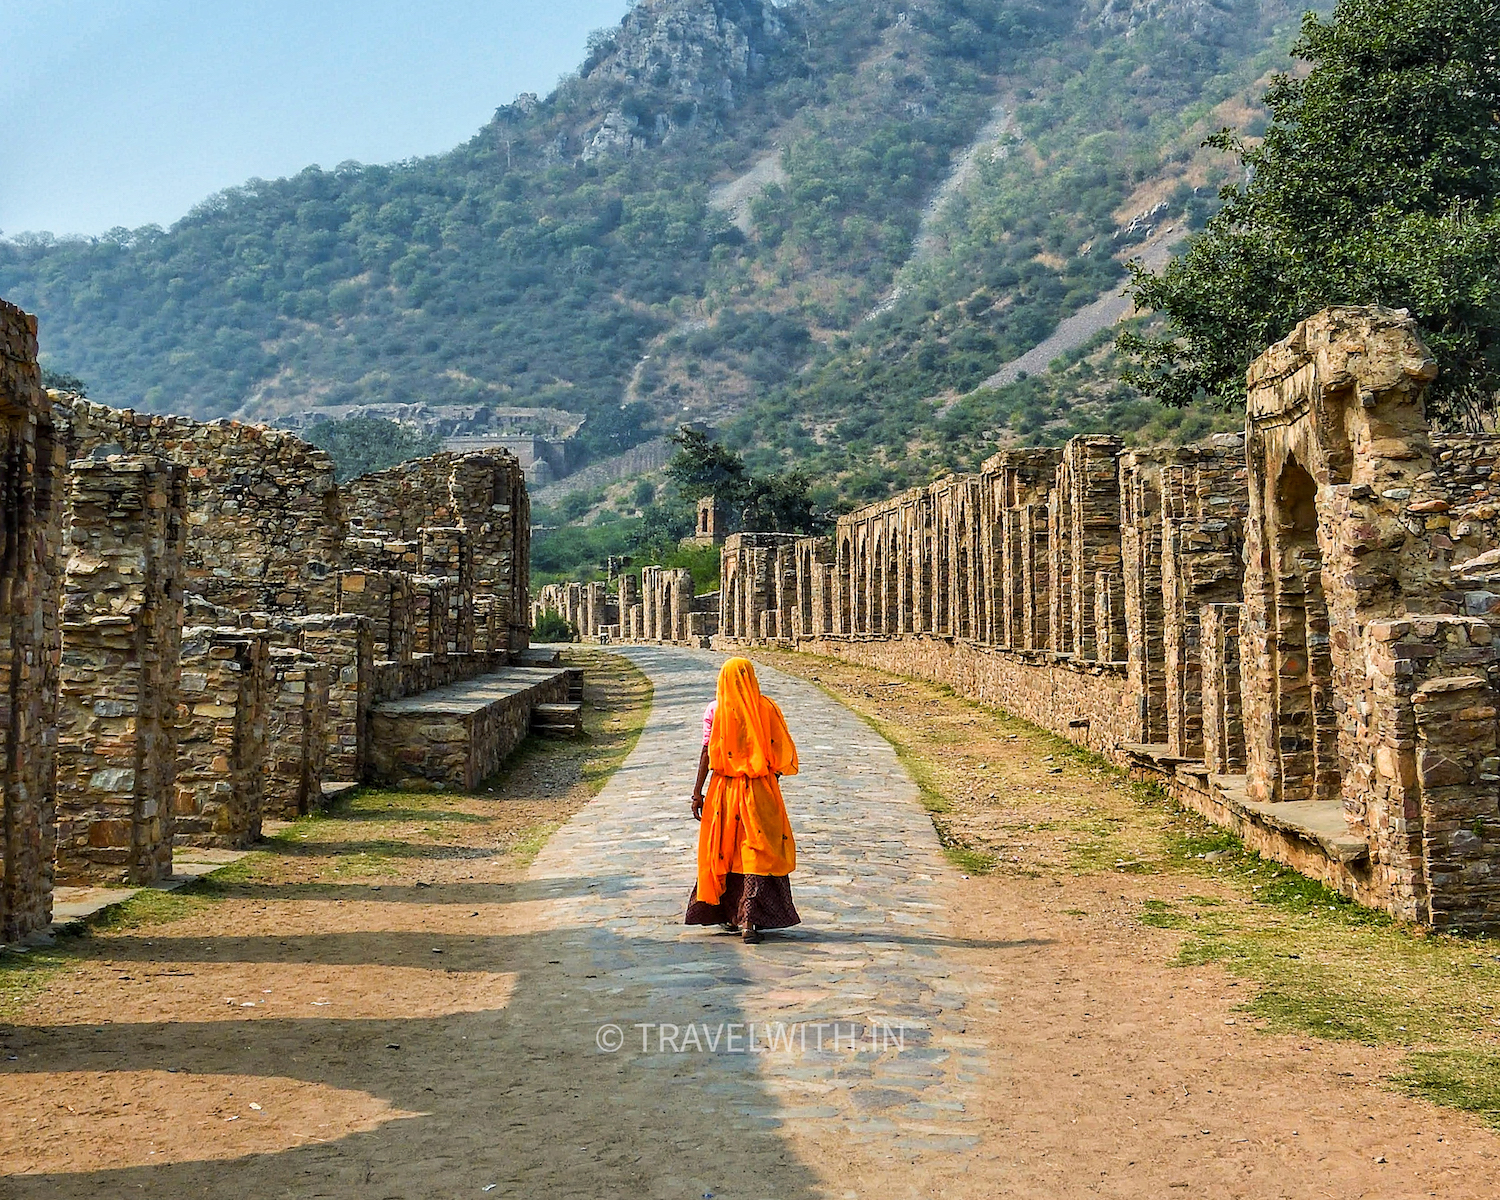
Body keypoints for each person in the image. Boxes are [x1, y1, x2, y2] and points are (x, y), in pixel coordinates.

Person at [685, 657, 800, 943]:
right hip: (760, 790)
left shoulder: (716, 710)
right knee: (757, 851)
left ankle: (728, 913)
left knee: (726, 850)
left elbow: (706, 754)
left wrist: (698, 793)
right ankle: (750, 919)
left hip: (723, 791)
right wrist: (767, 783)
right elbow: (780, 754)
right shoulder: (767, 709)